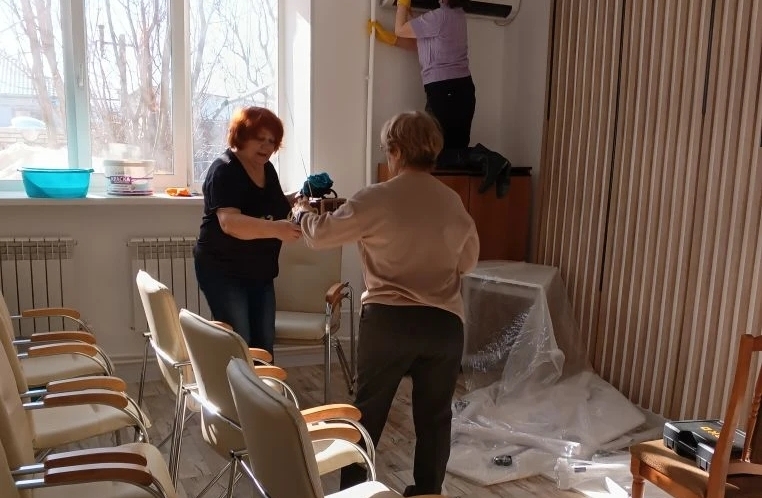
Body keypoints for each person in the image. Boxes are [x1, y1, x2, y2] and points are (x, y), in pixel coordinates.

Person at [291, 111, 480, 496]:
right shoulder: (452, 202)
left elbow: (321, 236)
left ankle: (354, 493)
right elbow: (469, 262)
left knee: (367, 415)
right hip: (444, 326)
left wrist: (301, 213)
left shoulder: (375, 197)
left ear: (394, 150)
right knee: (435, 420)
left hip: (389, 325)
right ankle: (427, 492)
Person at [193, 106, 302, 356]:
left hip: (260, 271)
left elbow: (274, 205)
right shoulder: (224, 169)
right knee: (239, 343)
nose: (266, 146)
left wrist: (300, 198)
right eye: (259, 138)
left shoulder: (267, 169)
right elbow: (230, 222)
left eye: (272, 141)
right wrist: (277, 229)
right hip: (223, 270)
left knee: (264, 344)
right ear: (241, 136)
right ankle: (235, 383)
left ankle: (261, 382)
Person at [369, 0, 476, 150]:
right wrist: (392, 40)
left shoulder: (440, 17)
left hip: (446, 90)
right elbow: (423, 46)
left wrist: (403, 4)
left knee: (435, 148)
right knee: (451, 150)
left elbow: (400, 29)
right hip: (457, 89)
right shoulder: (457, 15)